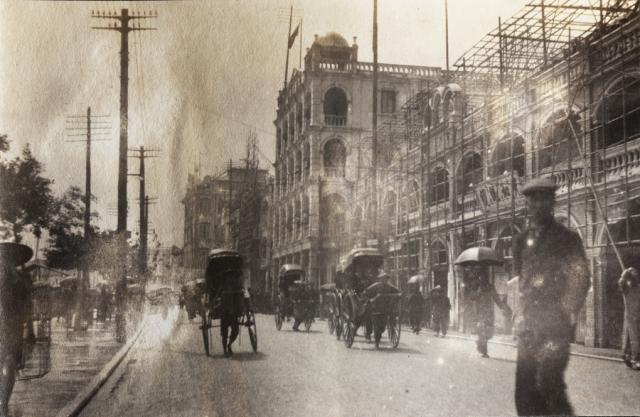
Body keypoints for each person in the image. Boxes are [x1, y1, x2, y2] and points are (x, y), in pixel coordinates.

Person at [513, 177, 591, 416]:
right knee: (524, 392)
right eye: (532, 200)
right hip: (529, 326)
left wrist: (566, 314)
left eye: (543, 199)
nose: (537, 205)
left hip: (555, 326)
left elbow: (581, 279)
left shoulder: (567, 239)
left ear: (551, 202)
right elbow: (521, 278)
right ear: (527, 204)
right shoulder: (520, 240)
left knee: (549, 384)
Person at [0, 242, 33, 417]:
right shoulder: (22, 279)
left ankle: (3, 402)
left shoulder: (18, 279)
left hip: (9, 325)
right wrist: (30, 329)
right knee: (9, 363)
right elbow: (27, 307)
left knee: (7, 363)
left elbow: (27, 306)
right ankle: (3, 402)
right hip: (13, 326)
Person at [465, 265, 512, 358]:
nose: (483, 278)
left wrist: (502, 307)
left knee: (489, 332)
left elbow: (496, 298)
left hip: (489, 311)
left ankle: (480, 343)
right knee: (483, 331)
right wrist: (478, 292)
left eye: (484, 276)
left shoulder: (490, 286)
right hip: (479, 312)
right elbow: (471, 297)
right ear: (479, 276)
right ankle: (484, 351)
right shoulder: (476, 286)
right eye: (481, 276)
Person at [619, 266, 640, 370]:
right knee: (632, 338)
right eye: (634, 274)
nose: (636, 275)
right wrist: (626, 272)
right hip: (630, 316)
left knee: (633, 337)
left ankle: (629, 356)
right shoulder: (626, 289)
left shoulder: (638, 288)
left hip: (637, 316)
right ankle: (634, 359)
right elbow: (621, 282)